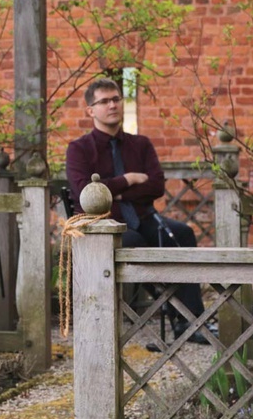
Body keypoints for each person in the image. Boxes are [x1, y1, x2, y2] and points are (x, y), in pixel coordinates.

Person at [66, 77, 213, 344]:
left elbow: (156, 186)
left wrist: (114, 191)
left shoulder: (141, 144)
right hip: (104, 226)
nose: (112, 105)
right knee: (134, 241)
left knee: (182, 234)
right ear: (91, 110)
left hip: (143, 218)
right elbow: (82, 192)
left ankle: (189, 324)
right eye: (104, 101)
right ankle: (159, 310)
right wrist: (129, 180)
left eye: (116, 99)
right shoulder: (79, 149)